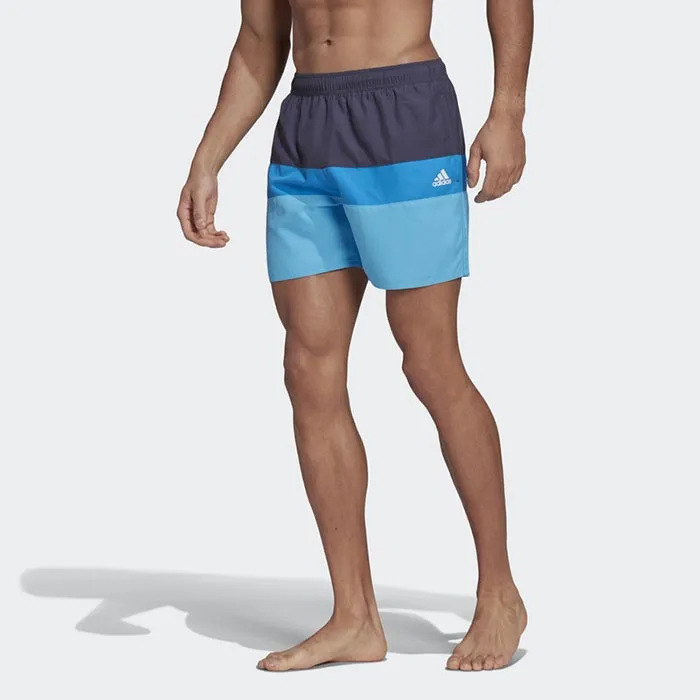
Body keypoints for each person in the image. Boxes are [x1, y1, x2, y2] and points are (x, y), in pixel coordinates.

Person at [177, 0, 533, 673]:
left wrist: (508, 109)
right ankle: (354, 618)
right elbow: (259, 38)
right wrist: (207, 158)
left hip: (405, 116)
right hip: (307, 132)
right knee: (307, 372)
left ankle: (499, 593)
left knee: (430, 362)